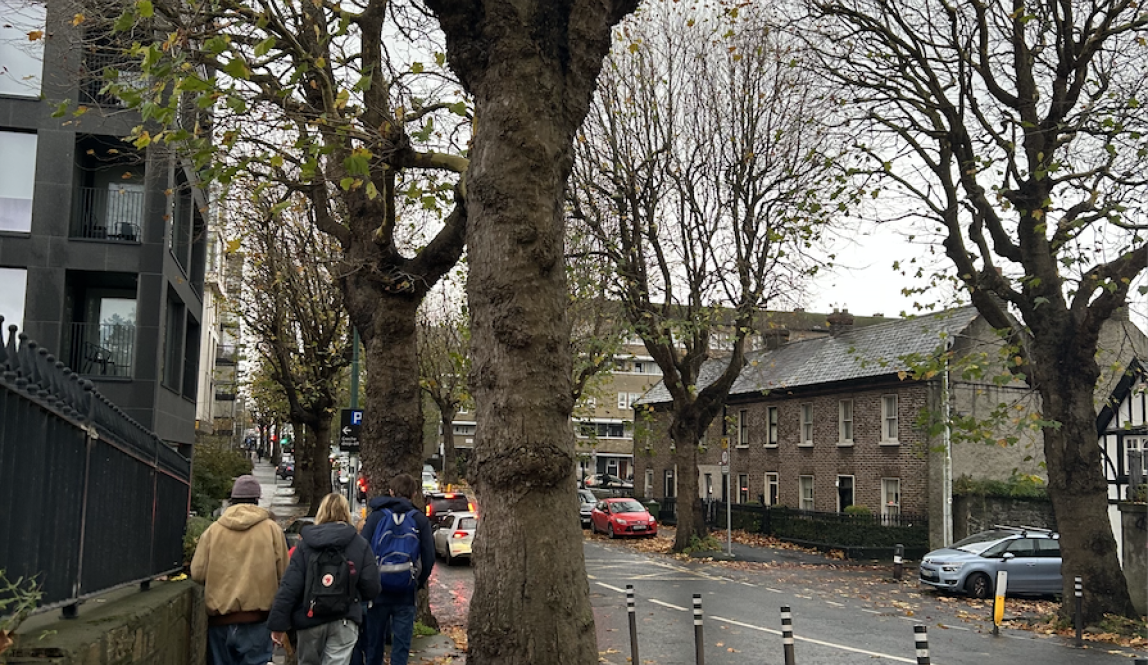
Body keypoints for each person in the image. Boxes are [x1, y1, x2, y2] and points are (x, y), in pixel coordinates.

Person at [268, 493, 381, 665]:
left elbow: (290, 587)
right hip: (344, 618)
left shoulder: (306, 544)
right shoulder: (359, 544)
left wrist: (278, 624)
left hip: (309, 618)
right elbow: (371, 586)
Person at [191, 474, 290, 665]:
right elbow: (285, 574)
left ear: (232, 499)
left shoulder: (213, 531)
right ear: (256, 499)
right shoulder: (271, 530)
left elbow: (197, 573)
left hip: (220, 623)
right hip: (257, 622)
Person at [359, 473, 435, 665]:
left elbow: (363, 551)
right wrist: (417, 582)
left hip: (377, 592)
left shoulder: (376, 517)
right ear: (414, 493)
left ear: (391, 492)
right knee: (401, 647)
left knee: (374, 646)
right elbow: (428, 557)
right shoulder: (419, 519)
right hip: (406, 593)